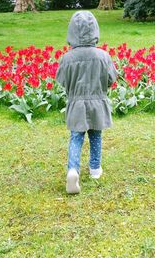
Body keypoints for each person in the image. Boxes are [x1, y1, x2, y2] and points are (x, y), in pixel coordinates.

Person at [56, 11, 118, 194]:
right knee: (95, 136)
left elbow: (62, 80)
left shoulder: (67, 58)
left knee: (76, 137)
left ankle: (73, 169)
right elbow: (111, 78)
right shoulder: (103, 56)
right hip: (97, 102)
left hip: (76, 103)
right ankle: (95, 169)